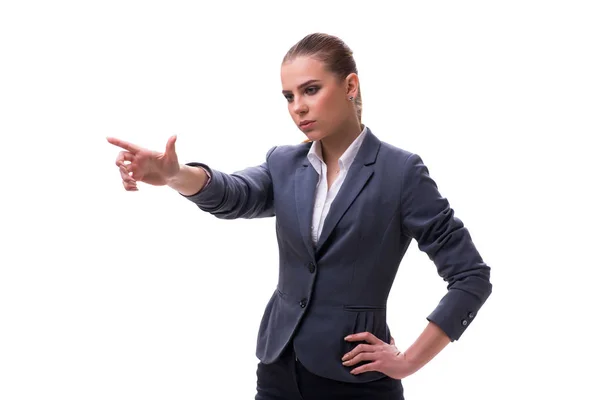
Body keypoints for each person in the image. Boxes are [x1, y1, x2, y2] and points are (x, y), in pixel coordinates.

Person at [107, 32, 492, 400]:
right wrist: (176, 175)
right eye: (289, 96)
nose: (298, 108)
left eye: (311, 90)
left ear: (350, 86)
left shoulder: (400, 173)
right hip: (278, 370)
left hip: (355, 379)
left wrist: (409, 361)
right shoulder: (285, 163)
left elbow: (470, 276)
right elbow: (234, 193)